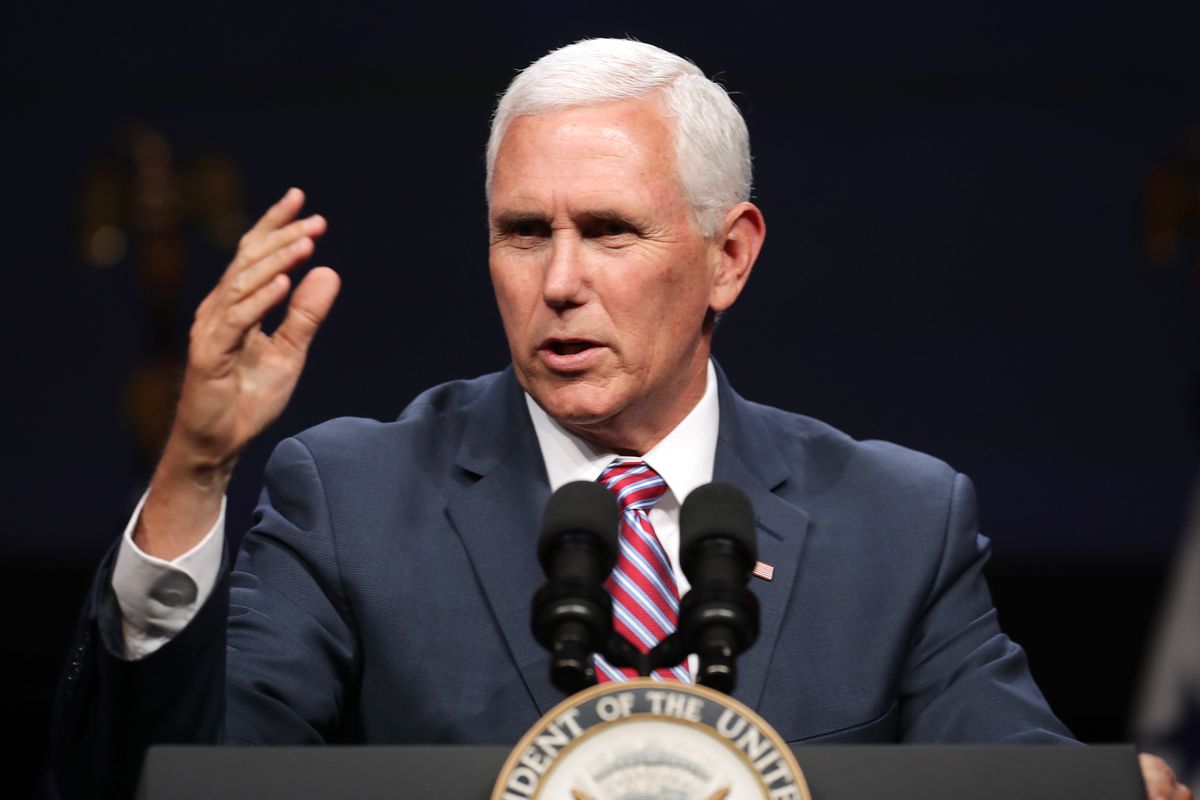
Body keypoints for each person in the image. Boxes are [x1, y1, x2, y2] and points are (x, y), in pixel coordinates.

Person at [52, 38, 1189, 800]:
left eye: (609, 230)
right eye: (521, 232)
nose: (558, 281)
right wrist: (198, 469)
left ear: (728, 256)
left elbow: (1015, 775)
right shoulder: (353, 499)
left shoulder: (896, 521)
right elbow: (177, 777)